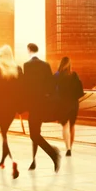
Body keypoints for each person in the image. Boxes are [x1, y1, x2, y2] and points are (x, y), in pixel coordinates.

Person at [24, 43, 61, 172]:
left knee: (34, 134)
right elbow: (51, 85)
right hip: (42, 104)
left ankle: (53, 153)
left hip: (33, 105)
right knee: (35, 133)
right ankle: (34, 162)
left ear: (29, 50)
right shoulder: (45, 65)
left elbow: (26, 86)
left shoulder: (27, 66)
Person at [0, 45, 23, 179]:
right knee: (4, 133)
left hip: (0, 104)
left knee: (4, 134)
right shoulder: (18, 69)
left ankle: (12, 160)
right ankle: (3, 161)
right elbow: (22, 87)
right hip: (13, 106)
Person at [55, 57, 84, 157]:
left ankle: (67, 148)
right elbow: (80, 90)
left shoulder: (57, 75)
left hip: (63, 103)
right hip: (74, 103)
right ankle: (70, 148)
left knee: (65, 125)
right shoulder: (74, 75)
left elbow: (53, 89)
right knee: (72, 125)